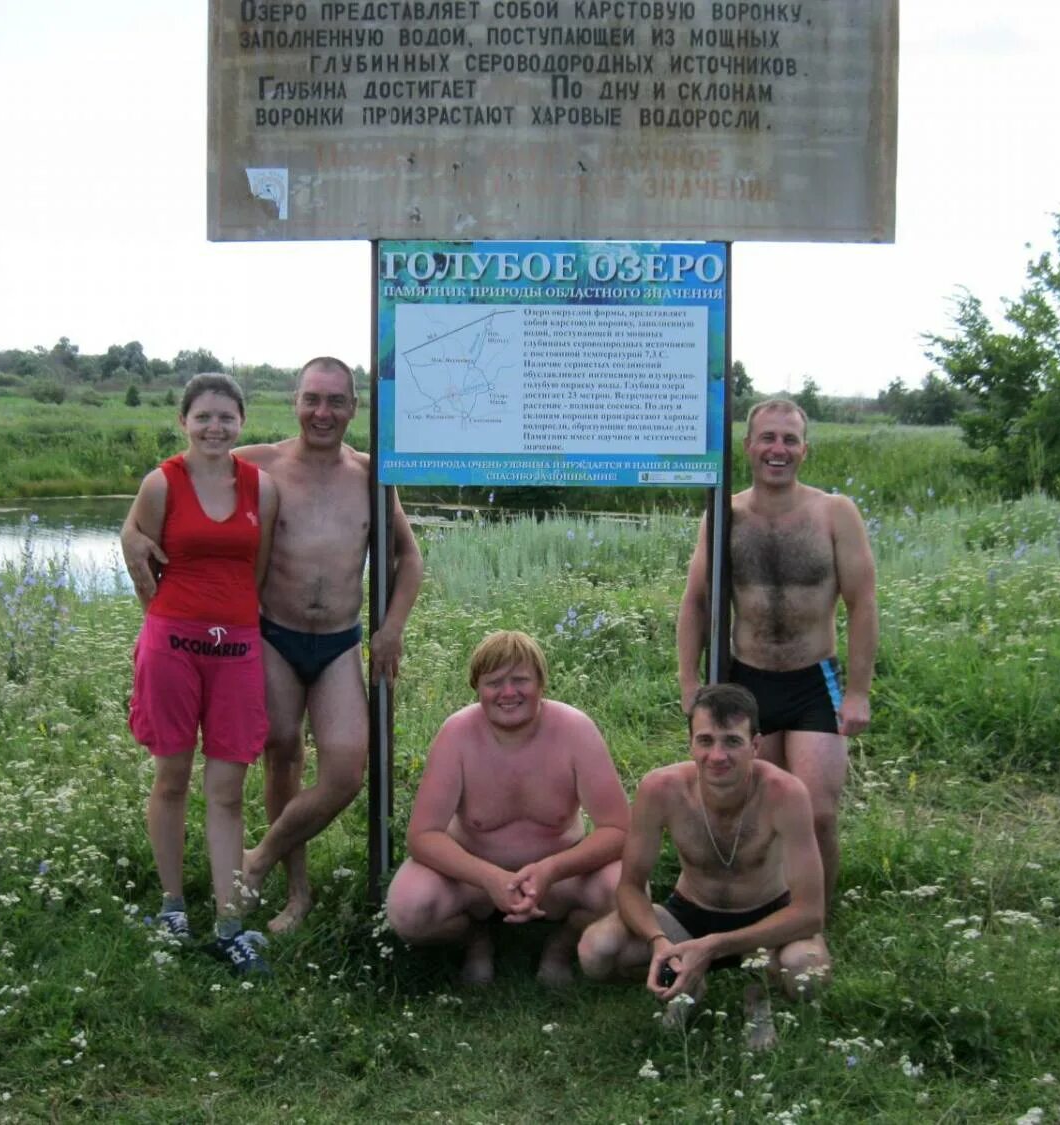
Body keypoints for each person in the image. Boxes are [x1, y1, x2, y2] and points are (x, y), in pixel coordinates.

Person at [123, 357, 424, 933]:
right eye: (313, 399)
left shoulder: (372, 475)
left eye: (336, 401)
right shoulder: (257, 463)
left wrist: (393, 628)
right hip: (272, 636)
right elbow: (185, 480)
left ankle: (255, 860)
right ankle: (297, 893)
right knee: (281, 753)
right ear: (295, 401)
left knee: (346, 772)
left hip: (339, 642)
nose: (323, 412)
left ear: (354, 409)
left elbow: (408, 558)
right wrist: (128, 533)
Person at [677, 398, 877, 906]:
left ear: (804, 450)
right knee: (750, 810)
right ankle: (757, 908)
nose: (778, 449)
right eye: (768, 438)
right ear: (748, 447)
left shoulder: (835, 513)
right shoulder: (725, 515)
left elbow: (862, 603)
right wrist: (688, 684)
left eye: (789, 439)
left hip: (814, 681)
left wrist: (857, 693)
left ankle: (814, 920)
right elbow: (697, 600)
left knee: (818, 814)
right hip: (747, 683)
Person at [577, 684, 829, 1050]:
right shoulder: (661, 789)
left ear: (755, 746)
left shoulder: (785, 794)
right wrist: (660, 943)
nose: (717, 755)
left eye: (732, 742)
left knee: (807, 973)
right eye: (706, 740)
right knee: (596, 951)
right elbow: (630, 887)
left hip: (766, 918)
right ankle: (690, 988)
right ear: (691, 743)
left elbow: (810, 914)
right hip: (690, 915)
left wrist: (713, 947)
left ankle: (759, 993)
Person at [126, 372, 279, 975]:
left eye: (226, 417)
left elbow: (257, 572)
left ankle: (229, 923)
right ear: (183, 421)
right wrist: (170, 628)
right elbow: (140, 558)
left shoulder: (260, 489)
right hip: (172, 646)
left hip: (238, 648)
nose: (215, 427)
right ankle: (171, 906)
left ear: (242, 422)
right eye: (203, 416)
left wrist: (231, 625)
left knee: (228, 789)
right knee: (171, 778)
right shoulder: (160, 484)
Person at [385, 631, 630, 985]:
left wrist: (549, 870)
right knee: (410, 907)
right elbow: (423, 836)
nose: (509, 693)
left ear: (542, 683)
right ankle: (475, 939)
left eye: (520, 680)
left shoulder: (576, 730)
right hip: (473, 880)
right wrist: (489, 877)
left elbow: (619, 830)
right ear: (476, 688)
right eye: (494, 682)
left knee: (624, 889)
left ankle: (562, 944)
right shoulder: (456, 735)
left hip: (560, 878)